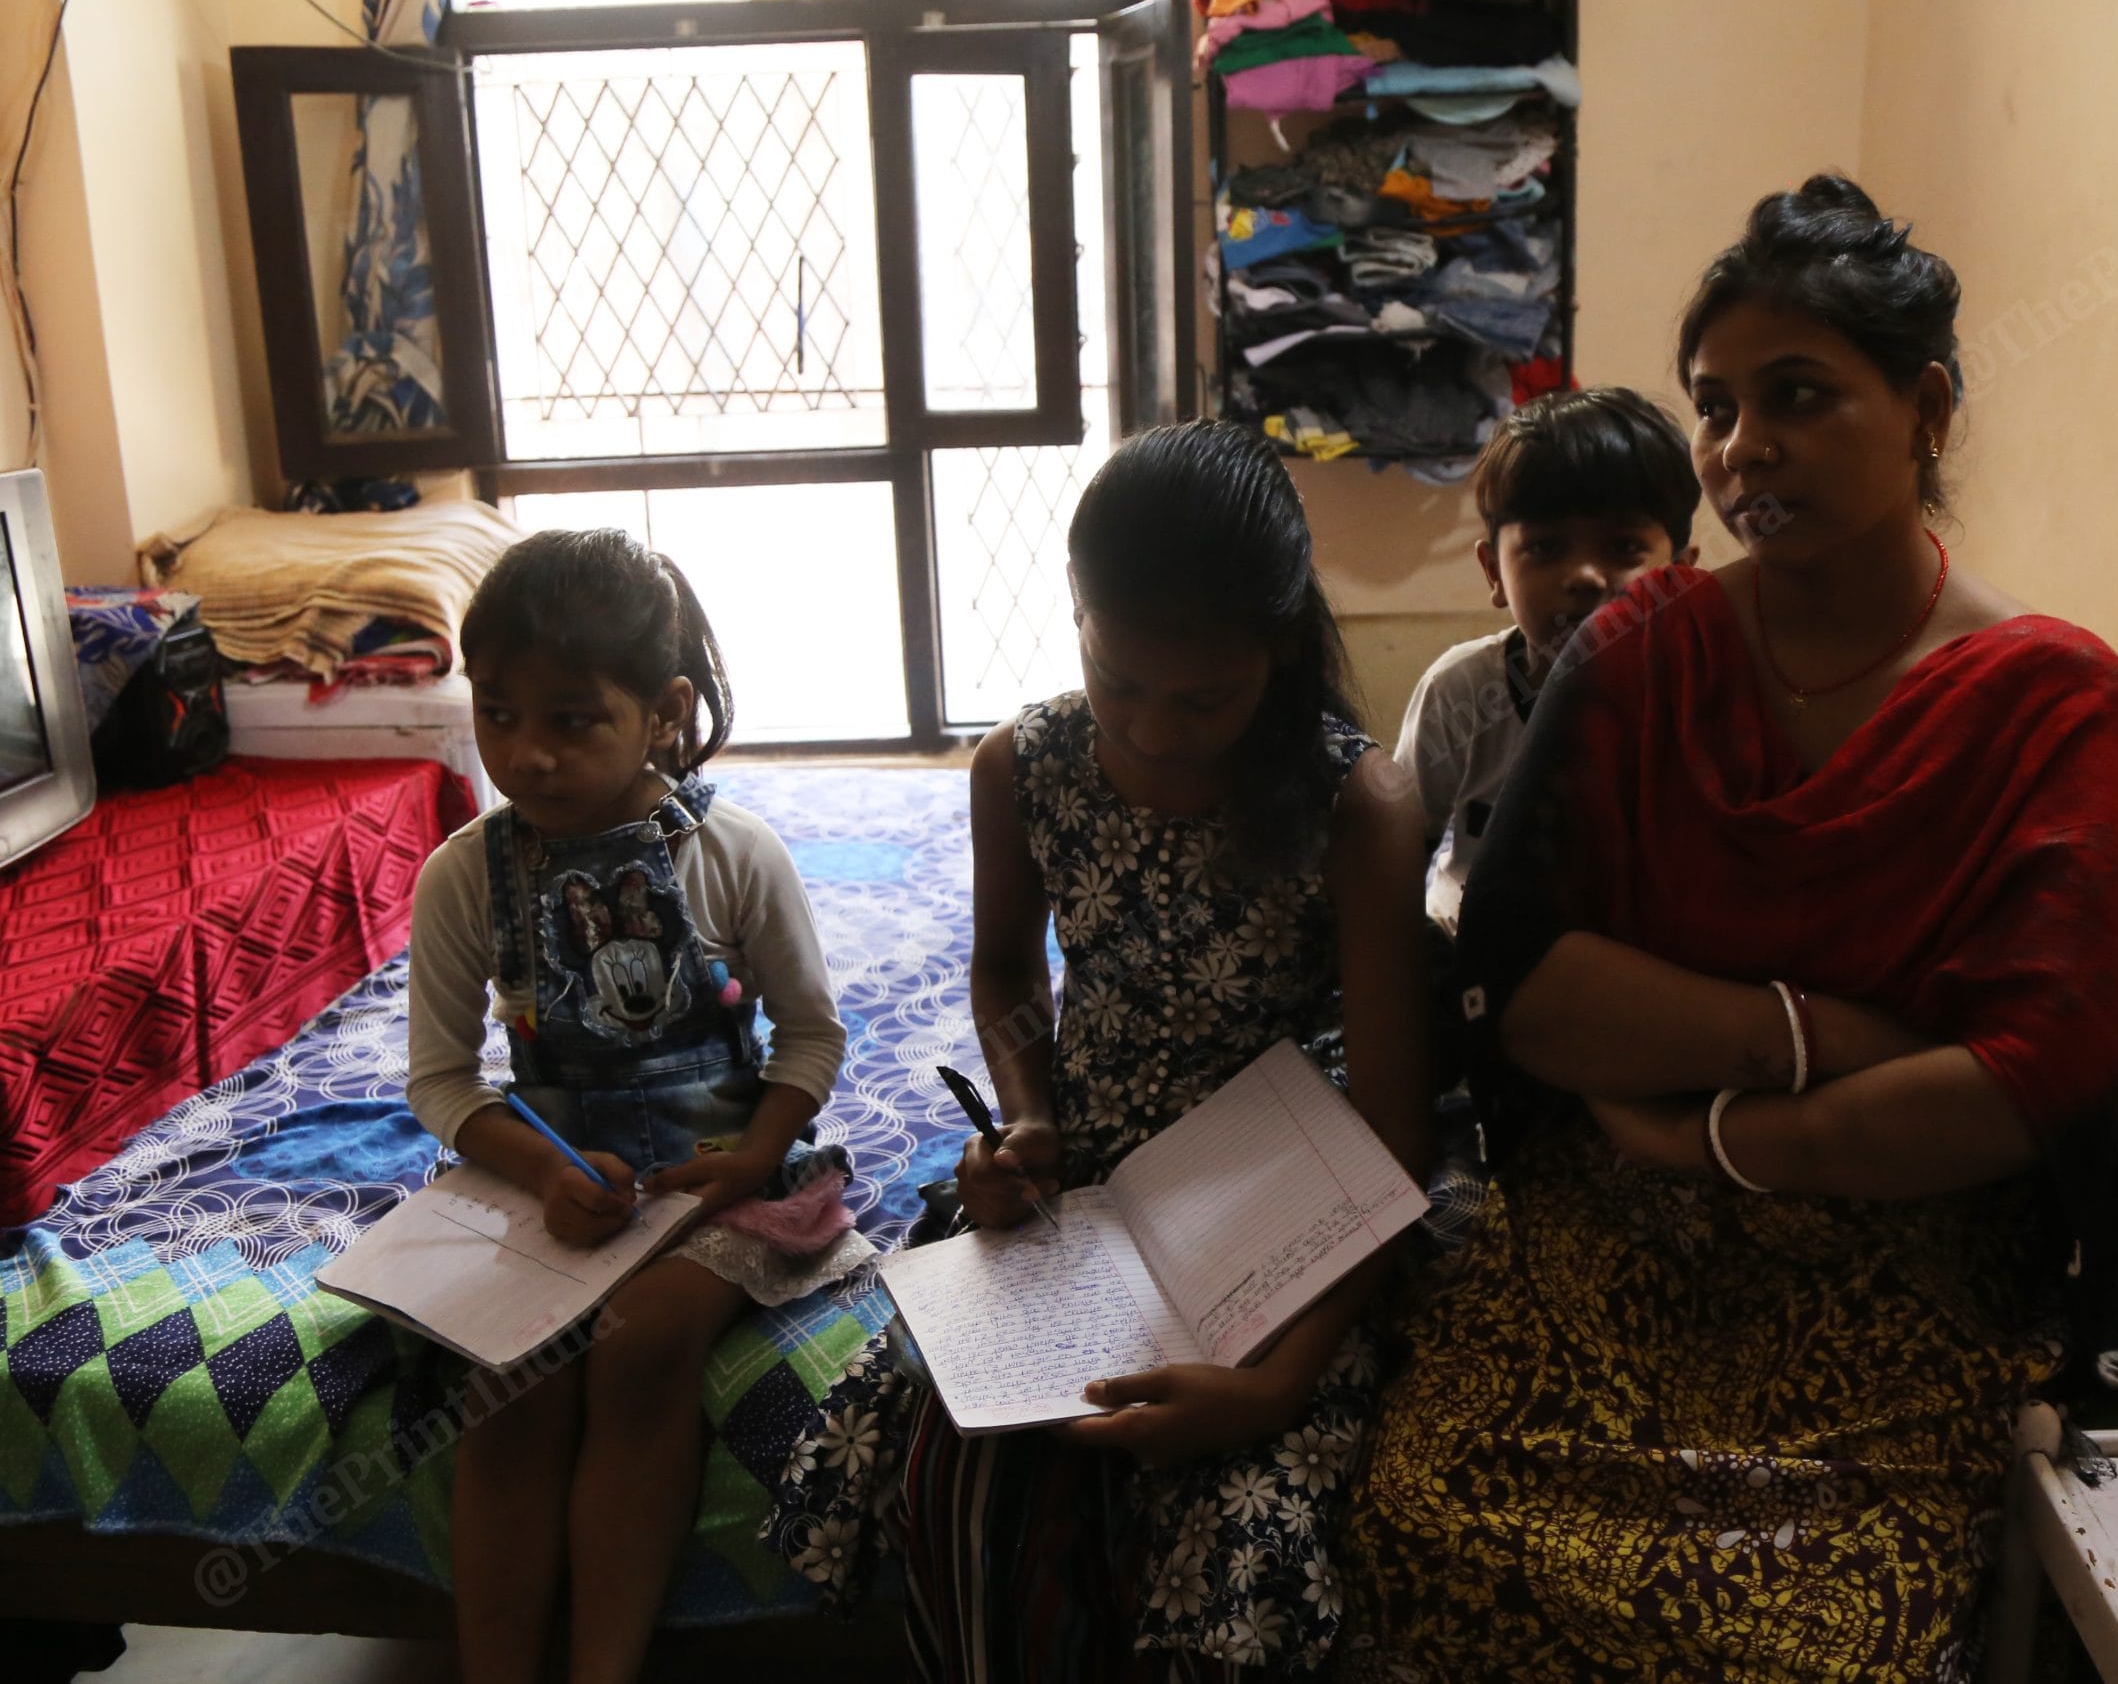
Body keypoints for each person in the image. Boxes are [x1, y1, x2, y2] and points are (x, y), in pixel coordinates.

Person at [1340, 176, 2118, 1680]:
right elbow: (1527, 982)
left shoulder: (2062, 703)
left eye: (1796, 397)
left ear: (1924, 407)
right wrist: (1824, 1039)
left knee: (1809, 1638)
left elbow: (2029, 1081)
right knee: (1422, 1517)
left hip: (1903, 1271)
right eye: (1718, 408)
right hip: (1612, 1235)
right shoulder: (1640, 650)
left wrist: (1703, 1127)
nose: (1742, 452)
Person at [763, 420, 1436, 1680]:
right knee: (960, 1470)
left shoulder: (1357, 804)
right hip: (1089, 1186)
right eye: (1120, 685)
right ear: (1074, 615)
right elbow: (1007, 973)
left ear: (1278, 649)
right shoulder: (1026, 763)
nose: (1159, 733)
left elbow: (1397, 1138)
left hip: (1295, 1200)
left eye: (1204, 699)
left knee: (1242, 1536)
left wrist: (1277, 1387)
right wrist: (1028, 1121)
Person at [407, 529, 865, 1684]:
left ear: (663, 712)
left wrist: (757, 1153)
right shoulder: (464, 874)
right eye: (498, 712)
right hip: (555, 1179)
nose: (526, 755)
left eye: (571, 720)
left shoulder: (733, 854)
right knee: (507, 1384)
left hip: (726, 1175)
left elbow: (811, 1034)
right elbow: (444, 1081)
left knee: (644, 1346)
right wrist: (547, 1170)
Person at [1394, 385, 1699, 937]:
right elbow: (1395, 847)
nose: (1584, 576)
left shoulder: (1702, 695)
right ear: (1493, 572)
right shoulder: (1461, 691)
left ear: (1681, 574)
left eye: (1624, 547)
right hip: (1463, 956)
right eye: (1546, 547)